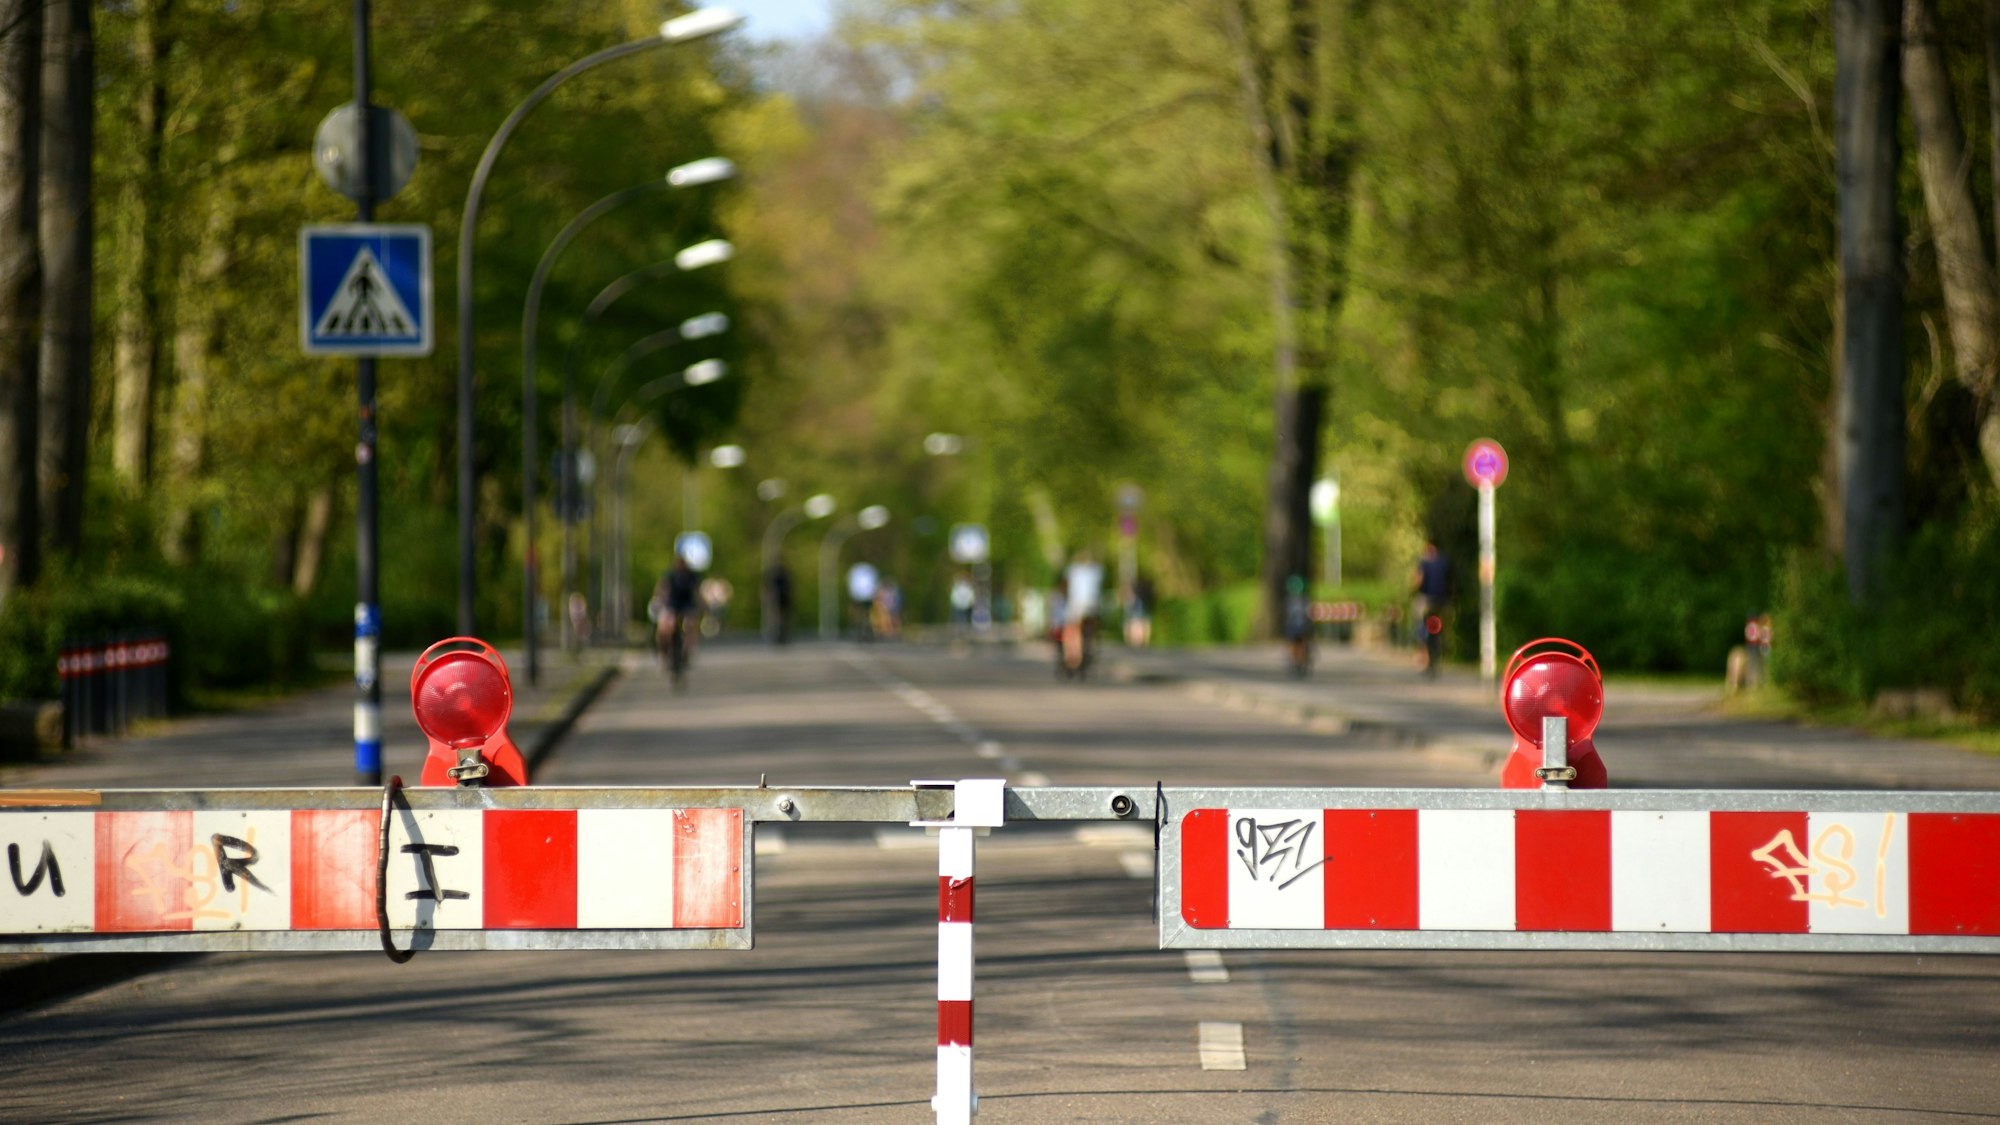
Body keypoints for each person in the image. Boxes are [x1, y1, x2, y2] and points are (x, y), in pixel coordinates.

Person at [653, 553, 702, 682]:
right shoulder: (670, 575)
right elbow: (661, 589)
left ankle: (687, 652)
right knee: (665, 628)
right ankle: (664, 654)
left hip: (687, 605)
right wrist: (660, 601)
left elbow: (697, 593)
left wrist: (700, 606)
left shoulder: (692, 576)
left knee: (690, 625)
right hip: (672, 605)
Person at [1412, 540, 1451, 678]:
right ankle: (1438, 656)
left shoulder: (1425, 562)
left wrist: (1413, 589)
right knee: (1437, 630)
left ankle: (1424, 657)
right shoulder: (1444, 561)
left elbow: (1418, 581)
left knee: (1421, 627)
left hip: (1426, 600)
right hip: (1441, 602)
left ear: (1429, 547)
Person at [1282, 574, 1312, 678]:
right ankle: (1299, 661)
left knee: (1294, 644)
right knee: (1300, 643)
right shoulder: (1305, 601)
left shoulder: (1290, 601)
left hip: (1295, 626)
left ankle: (1296, 661)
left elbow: (1287, 616)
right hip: (1301, 626)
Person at [765, 563, 793, 645]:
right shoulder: (784, 577)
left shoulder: (776, 577)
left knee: (778, 618)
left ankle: (780, 635)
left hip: (780, 600)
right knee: (780, 618)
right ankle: (780, 635)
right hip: (780, 600)